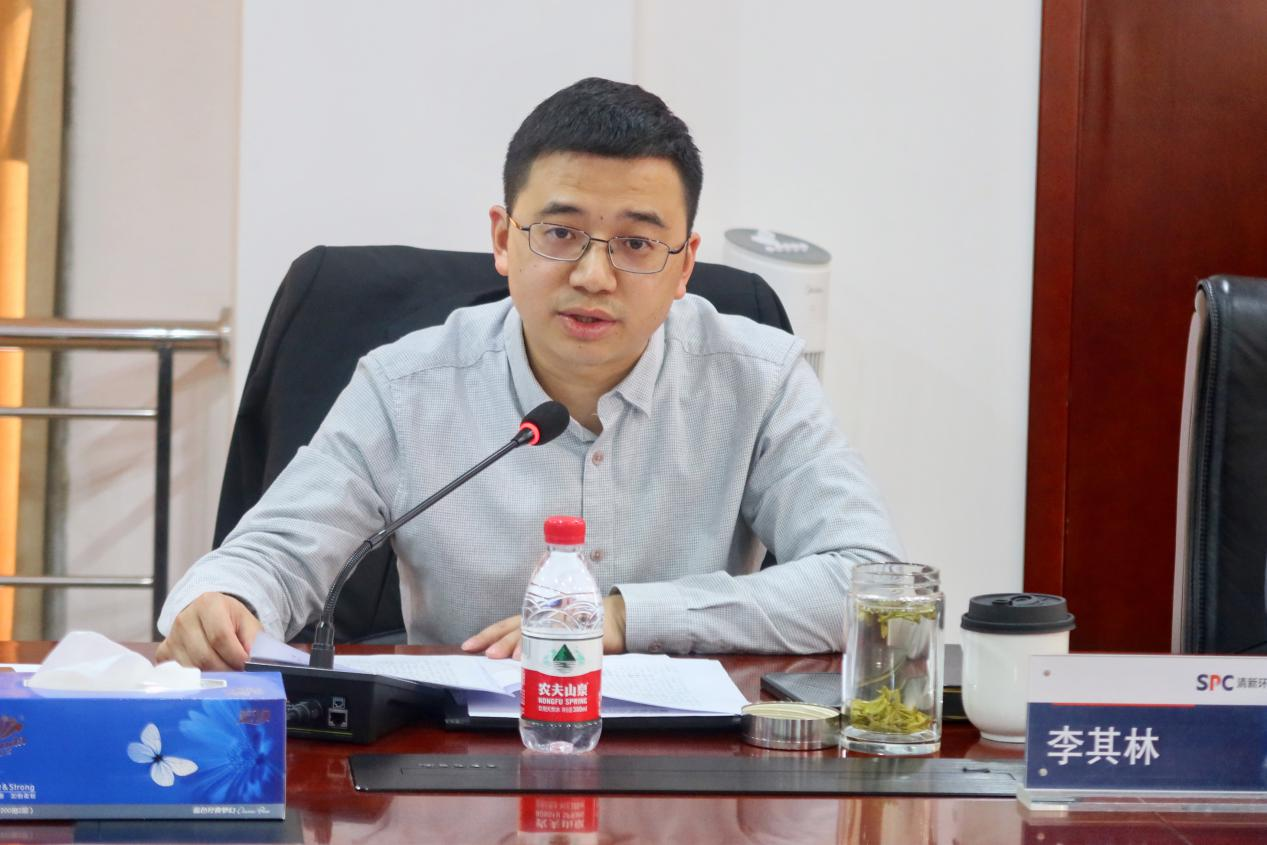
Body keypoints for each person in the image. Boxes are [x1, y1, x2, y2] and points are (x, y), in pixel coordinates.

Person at [156, 77, 902, 670]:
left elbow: (870, 583)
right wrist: (223, 600)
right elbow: (274, 552)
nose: (593, 275)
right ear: (502, 239)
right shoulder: (405, 386)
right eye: (560, 233)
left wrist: (627, 617)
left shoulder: (759, 379)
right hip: (459, 756)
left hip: (688, 762)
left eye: (637, 244)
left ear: (684, 266)